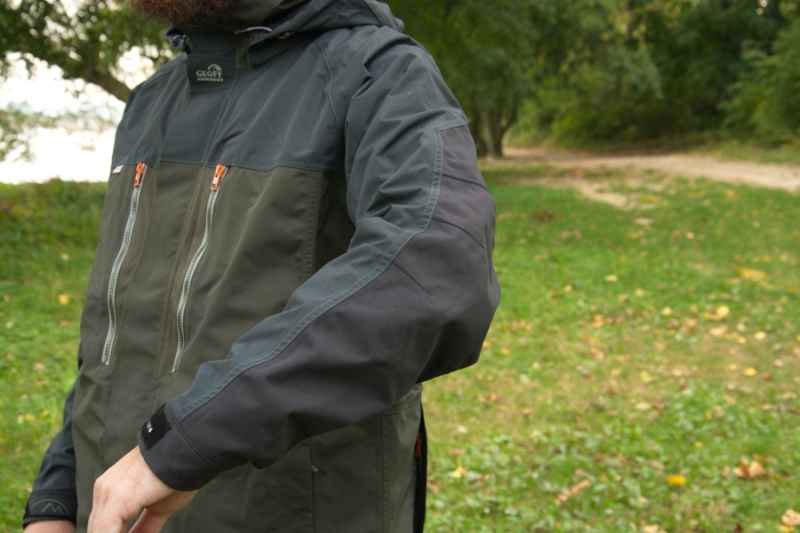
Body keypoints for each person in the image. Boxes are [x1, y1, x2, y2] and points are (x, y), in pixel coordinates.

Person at [22, 0, 500, 531]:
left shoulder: (376, 74)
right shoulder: (152, 102)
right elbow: (118, 337)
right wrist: (56, 497)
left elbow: (438, 269)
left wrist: (185, 441)